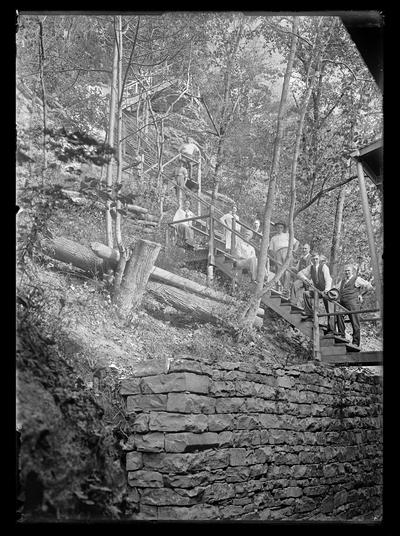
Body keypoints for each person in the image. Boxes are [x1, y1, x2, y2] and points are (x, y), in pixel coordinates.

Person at [335, 264, 374, 347]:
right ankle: (342, 336)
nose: (347, 272)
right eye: (345, 271)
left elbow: (369, 287)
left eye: (348, 270)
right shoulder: (342, 281)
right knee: (338, 314)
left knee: (355, 323)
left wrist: (361, 295)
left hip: (353, 304)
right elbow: (335, 289)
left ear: (352, 271)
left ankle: (356, 343)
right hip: (343, 304)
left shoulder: (357, 279)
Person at [297, 251, 335, 333]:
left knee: (330, 310)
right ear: (311, 259)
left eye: (317, 259)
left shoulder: (324, 267)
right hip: (318, 291)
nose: (315, 260)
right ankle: (309, 314)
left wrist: (327, 290)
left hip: (327, 291)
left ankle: (331, 329)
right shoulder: (310, 267)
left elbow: (328, 279)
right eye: (313, 259)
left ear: (319, 259)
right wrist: (307, 279)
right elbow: (299, 273)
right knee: (306, 294)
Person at [268, 222, 299, 292]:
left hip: (287, 251)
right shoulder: (273, 238)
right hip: (277, 253)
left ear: (283, 228)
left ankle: (285, 289)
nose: (279, 229)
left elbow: (297, 242)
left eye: (281, 227)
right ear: (276, 228)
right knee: (279, 271)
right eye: (278, 227)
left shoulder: (287, 235)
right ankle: (283, 287)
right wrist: (275, 256)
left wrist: (294, 250)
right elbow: (270, 249)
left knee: (287, 271)